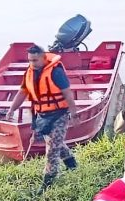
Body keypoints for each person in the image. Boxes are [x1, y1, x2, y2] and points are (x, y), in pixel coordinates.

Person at [5, 44, 77, 189]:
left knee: (51, 150)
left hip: (59, 114)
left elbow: (67, 93)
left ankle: (46, 184)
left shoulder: (55, 72)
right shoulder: (29, 72)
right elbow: (22, 92)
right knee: (55, 142)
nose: (32, 63)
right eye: (30, 60)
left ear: (44, 58)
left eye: (35, 60)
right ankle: (72, 165)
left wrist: (74, 113)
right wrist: (12, 109)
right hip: (42, 115)